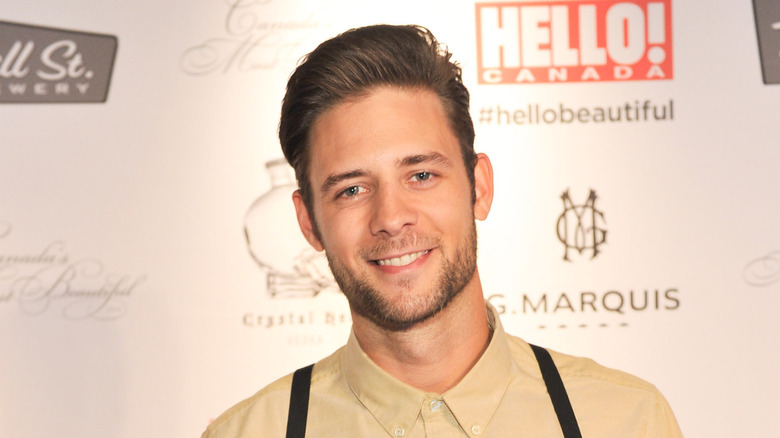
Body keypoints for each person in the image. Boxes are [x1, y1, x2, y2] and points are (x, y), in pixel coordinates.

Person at [202, 24, 682, 437]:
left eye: (421, 175)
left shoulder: (626, 421)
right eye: (351, 189)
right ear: (309, 222)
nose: (391, 217)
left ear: (479, 186)